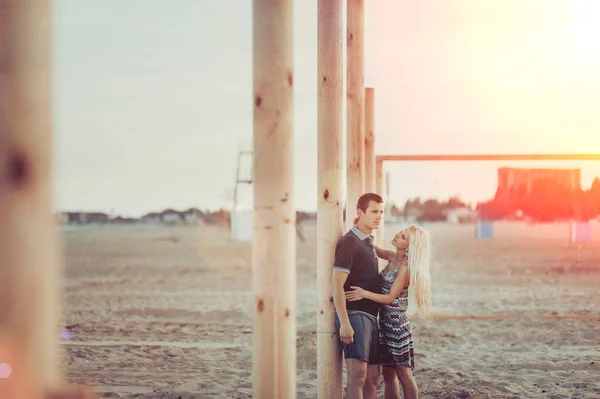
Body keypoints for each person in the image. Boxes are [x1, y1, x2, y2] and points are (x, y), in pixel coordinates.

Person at [346, 224, 431, 399]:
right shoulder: (393, 258)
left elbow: (389, 298)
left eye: (403, 237)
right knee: (388, 374)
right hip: (384, 324)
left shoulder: (404, 269)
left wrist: (363, 294)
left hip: (397, 326)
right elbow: (372, 248)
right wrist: (361, 230)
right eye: (401, 232)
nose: (397, 235)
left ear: (409, 246)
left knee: (403, 374)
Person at [332, 192, 384, 399]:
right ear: (360, 213)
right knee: (358, 377)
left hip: (372, 316)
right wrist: (344, 322)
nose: (379, 216)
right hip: (354, 315)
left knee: (372, 378)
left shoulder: (368, 241)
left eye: (381, 212)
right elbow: (336, 284)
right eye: (374, 211)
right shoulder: (349, 242)